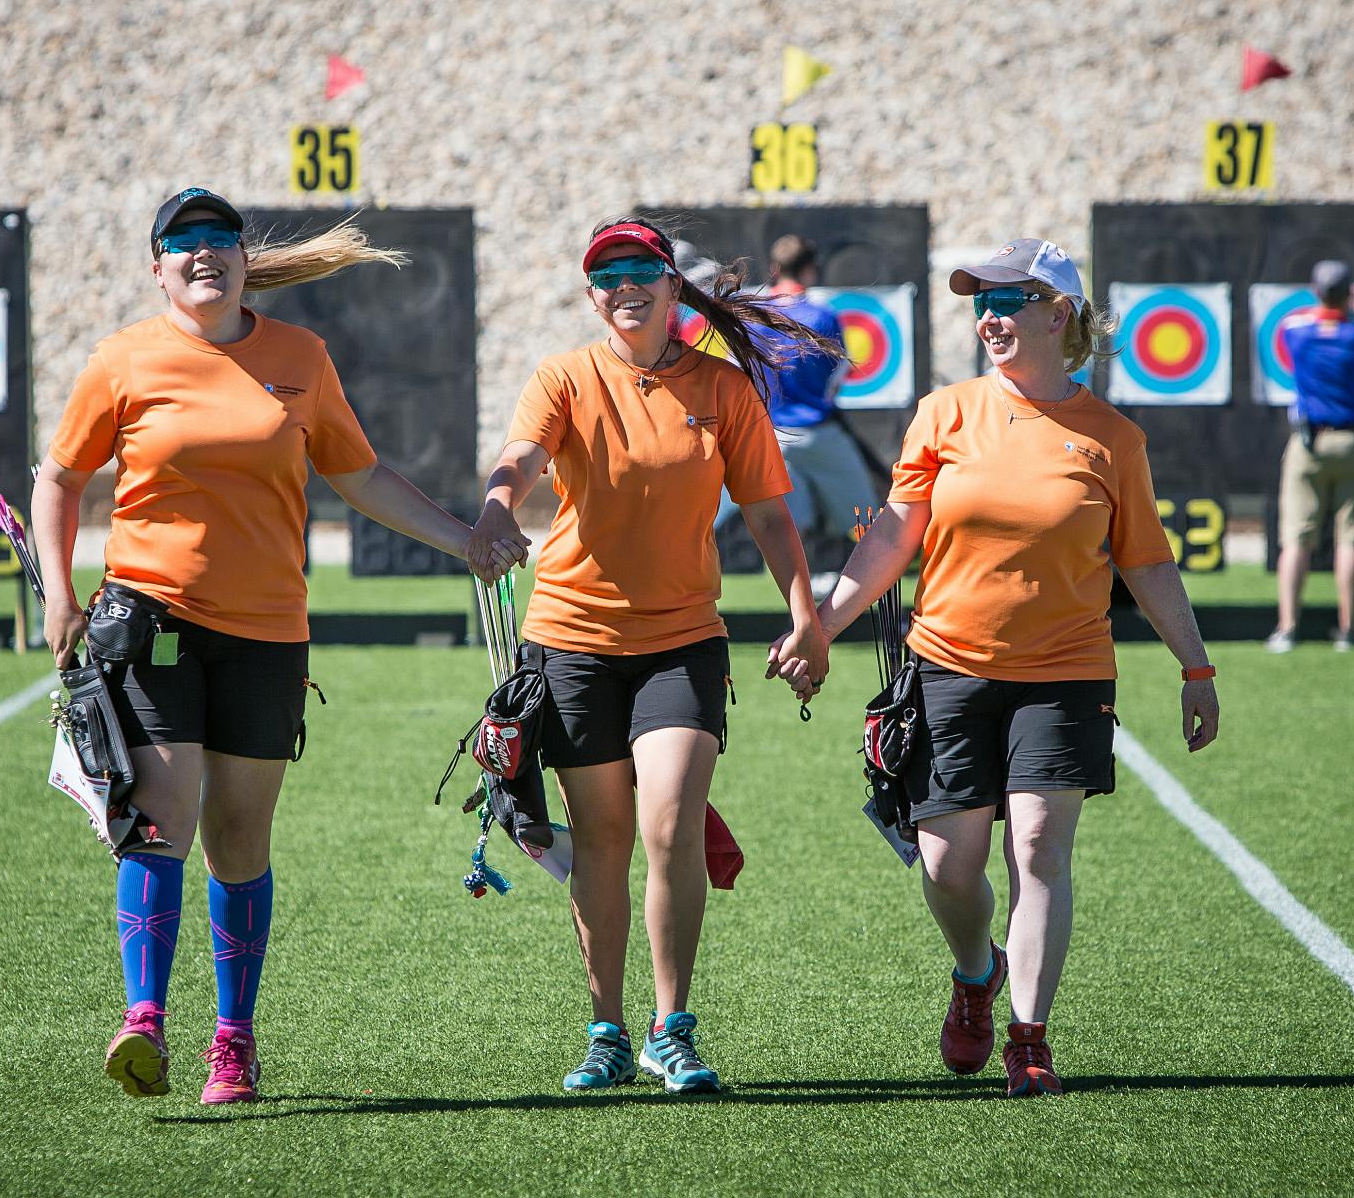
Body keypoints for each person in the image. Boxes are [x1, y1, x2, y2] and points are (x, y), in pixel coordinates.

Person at [33, 188, 518, 1105]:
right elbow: (59, 477)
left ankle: (234, 1040)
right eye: (184, 243)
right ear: (158, 265)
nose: (203, 254)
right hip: (153, 620)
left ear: (245, 259)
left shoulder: (301, 358)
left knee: (239, 838)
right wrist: (60, 594)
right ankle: (144, 1022)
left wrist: (466, 539)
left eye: (220, 240)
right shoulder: (123, 360)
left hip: (267, 633)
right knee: (159, 816)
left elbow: (361, 473)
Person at [772, 238, 1220, 1096]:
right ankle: (976, 972)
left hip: (1067, 671)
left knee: (1040, 846)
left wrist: (1194, 667)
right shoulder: (943, 413)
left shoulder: (1115, 436)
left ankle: (1029, 1036)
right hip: (947, 666)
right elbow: (892, 537)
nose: (990, 315)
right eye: (981, 301)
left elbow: (1149, 564)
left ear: (1060, 313)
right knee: (947, 863)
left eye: (1009, 299)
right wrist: (819, 625)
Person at [466, 216, 831, 1095]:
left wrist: (807, 615)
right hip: (570, 640)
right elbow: (522, 456)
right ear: (593, 296)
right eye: (605, 273)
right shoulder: (564, 374)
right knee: (602, 838)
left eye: (641, 269)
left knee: (670, 821)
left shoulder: (724, 388)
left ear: (673, 289)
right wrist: (494, 504)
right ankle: (607, 1030)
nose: (623, 283)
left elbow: (772, 514)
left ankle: (672, 1028)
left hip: (682, 641)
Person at [710, 235, 878, 589]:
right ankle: (878, 582)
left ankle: (796, 600)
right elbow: (838, 374)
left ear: (775, 269)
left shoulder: (750, 315)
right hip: (817, 432)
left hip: (769, 434)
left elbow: (732, 370)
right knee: (867, 517)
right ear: (809, 268)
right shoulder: (822, 315)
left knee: (789, 522)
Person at [1268, 258, 1354, 653]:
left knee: (1295, 540)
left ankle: (1287, 630)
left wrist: (1335, 301)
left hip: (1308, 444)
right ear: (1347, 295)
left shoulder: (1295, 330)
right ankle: (1350, 631)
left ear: (1315, 291)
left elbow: (1296, 317)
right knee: (1351, 540)